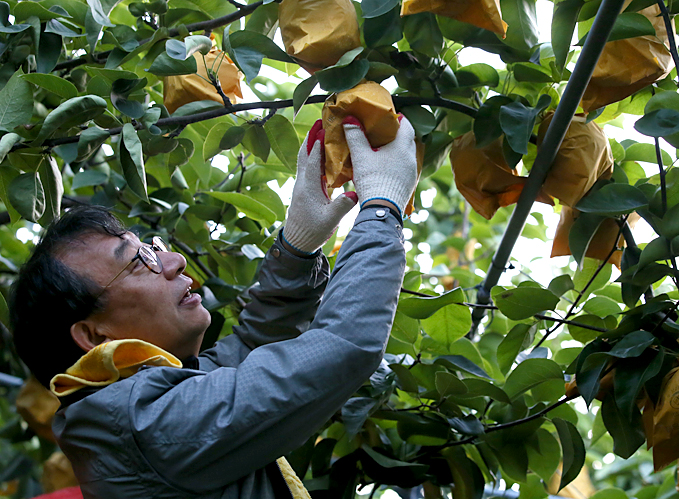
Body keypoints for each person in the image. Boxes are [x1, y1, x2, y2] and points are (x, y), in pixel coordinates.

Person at [10, 115, 419, 498]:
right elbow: (340, 347)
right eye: (140, 262)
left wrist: (298, 246)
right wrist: (382, 208)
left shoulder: (144, 404)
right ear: (94, 335)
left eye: (152, 248)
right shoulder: (147, 425)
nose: (173, 261)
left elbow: (251, 349)